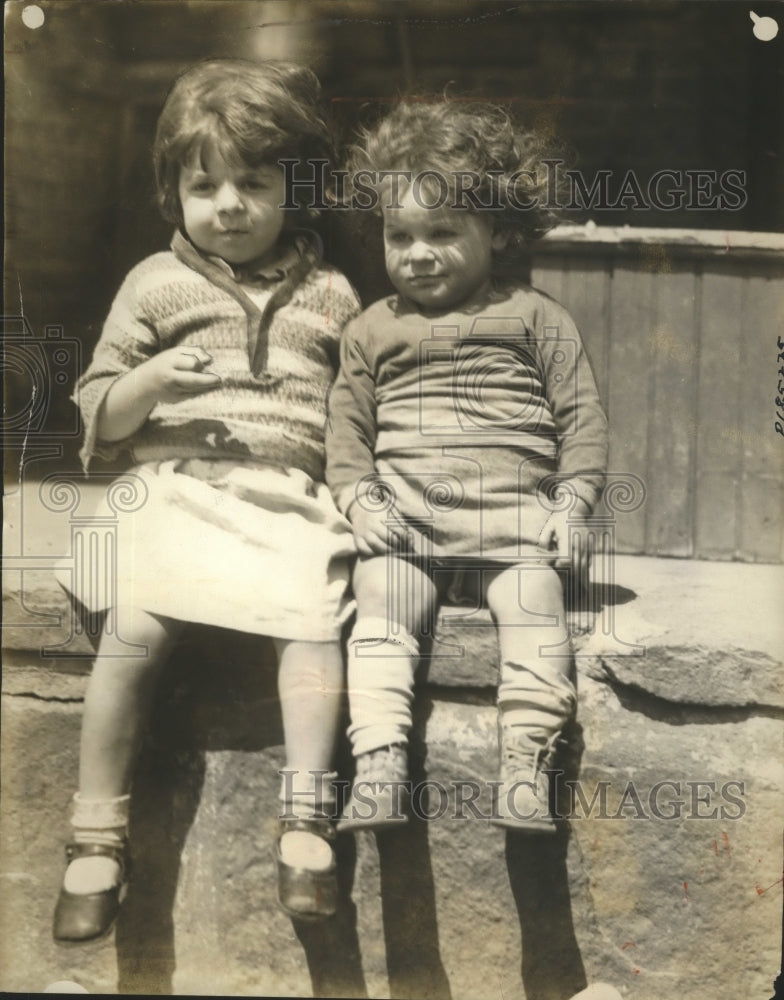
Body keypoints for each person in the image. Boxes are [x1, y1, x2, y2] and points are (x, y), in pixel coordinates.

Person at [53, 58, 361, 941]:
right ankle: (96, 835)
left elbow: (352, 416)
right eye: (204, 184)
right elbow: (102, 415)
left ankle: (307, 820)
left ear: (295, 189)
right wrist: (149, 378)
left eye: (254, 182)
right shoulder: (154, 283)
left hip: (287, 502)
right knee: (136, 623)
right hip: (175, 490)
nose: (229, 202)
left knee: (313, 618)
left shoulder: (336, 295)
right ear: (172, 193)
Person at [326, 100, 608, 833]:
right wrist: (360, 501)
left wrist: (573, 506)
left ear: (500, 230)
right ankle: (380, 761)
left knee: (536, 612)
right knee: (380, 612)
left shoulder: (535, 317)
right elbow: (347, 435)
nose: (417, 252)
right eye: (399, 235)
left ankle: (526, 762)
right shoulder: (370, 330)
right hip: (408, 527)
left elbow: (581, 419)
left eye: (442, 232)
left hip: (514, 527)